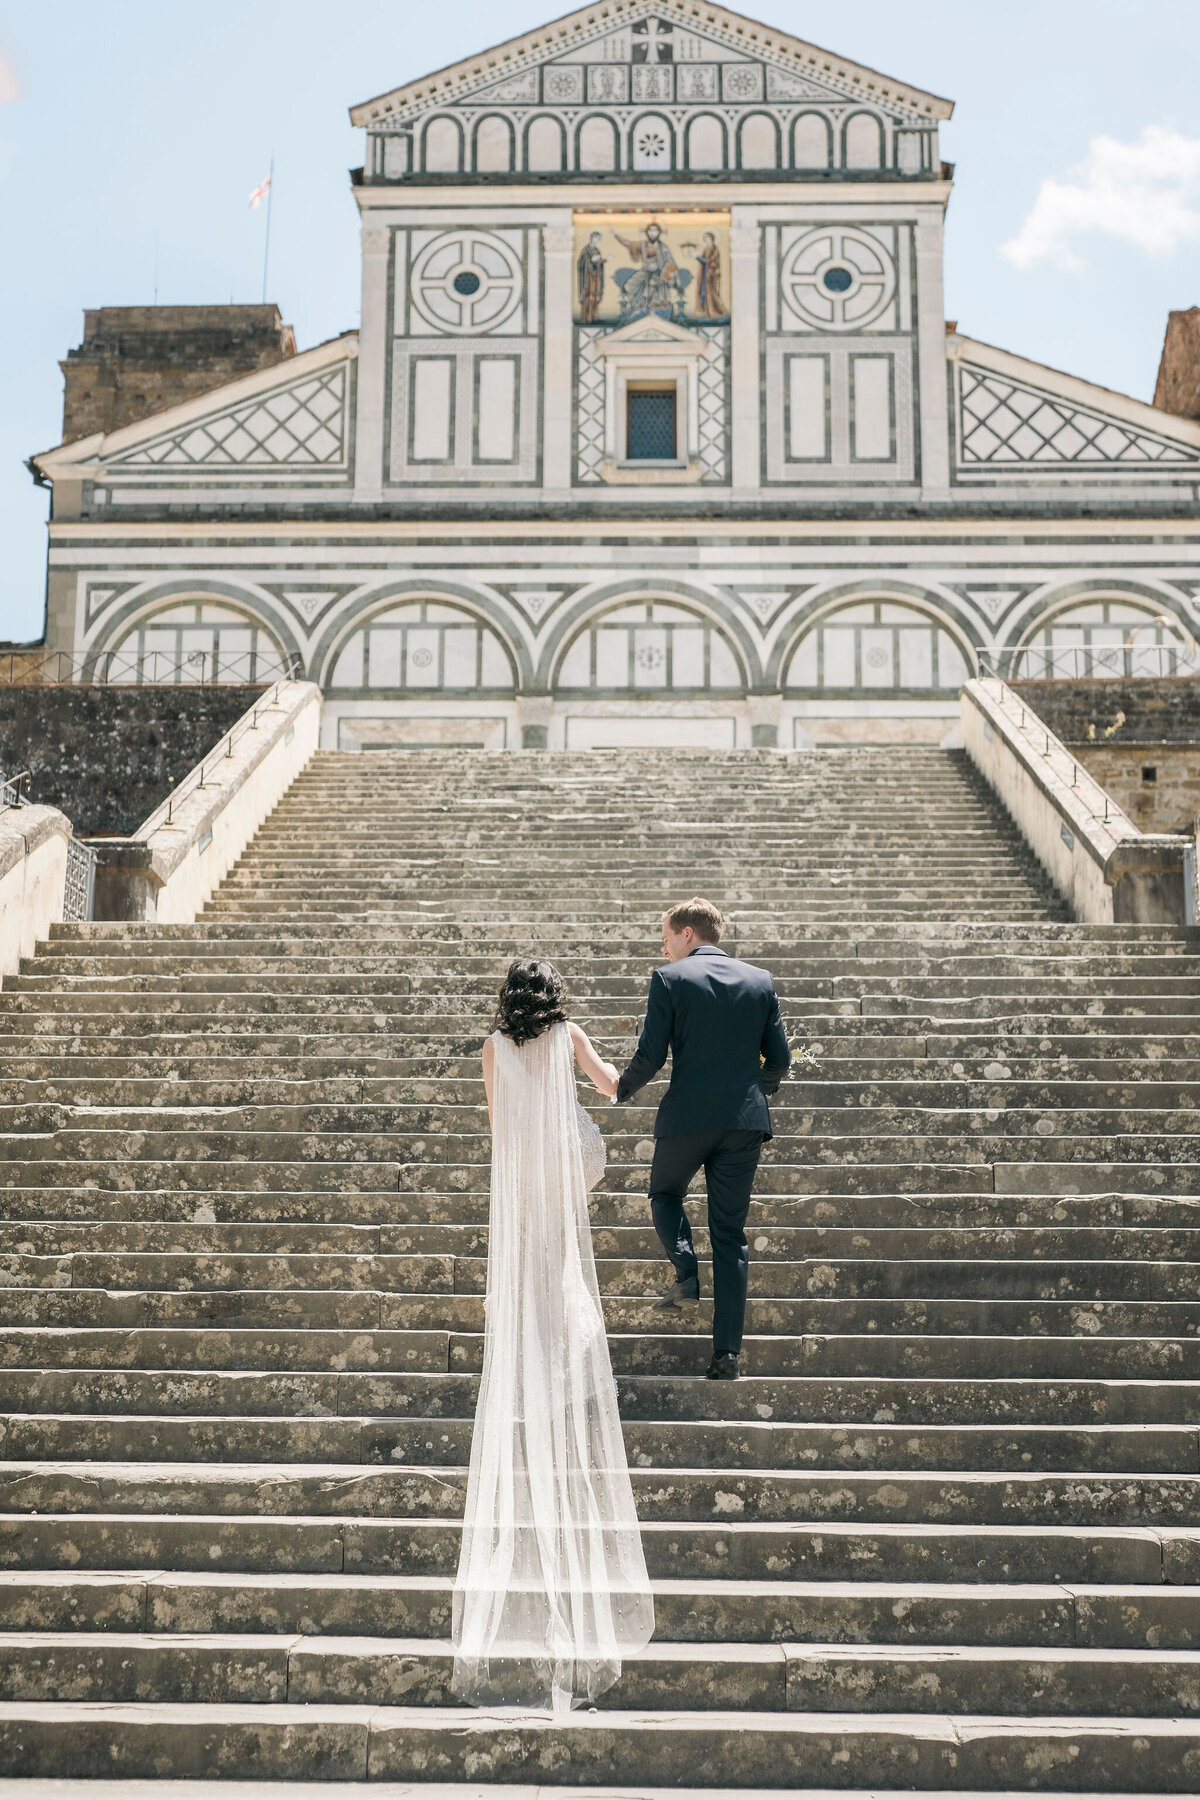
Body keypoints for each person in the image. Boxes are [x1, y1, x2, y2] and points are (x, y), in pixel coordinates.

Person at [451, 959, 655, 1714]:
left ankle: (538, 1343)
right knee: (566, 1263)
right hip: (568, 1165)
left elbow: (500, 1127)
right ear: (555, 1000)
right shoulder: (570, 1033)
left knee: (537, 1262)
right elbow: (607, 1085)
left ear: (507, 1001)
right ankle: (567, 1339)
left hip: (524, 1178)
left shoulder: (492, 1047)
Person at [615, 898, 791, 1380]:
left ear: (688, 934)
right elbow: (780, 1060)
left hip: (688, 1118)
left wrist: (620, 1086)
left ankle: (687, 1273)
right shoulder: (760, 981)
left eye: (667, 937)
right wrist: (756, 1091)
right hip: (744, 1122)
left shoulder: (669, 980)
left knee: (665, 1194)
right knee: (731, 1236)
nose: (665, 947)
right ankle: (726, 1356)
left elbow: (650, 1057)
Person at [577, 230, 607, 323]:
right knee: (588, 296)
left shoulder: (597, 250)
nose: (596, 240)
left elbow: (598, 263)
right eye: (595, 238)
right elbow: (581, 262)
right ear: (591, 238)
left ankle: (594, 317)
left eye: (598, 239)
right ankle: (587, 318)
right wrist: (590, 260)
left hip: (596, 276)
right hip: (588, 277)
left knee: (596, 296)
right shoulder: (585, 249)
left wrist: (604, 260)